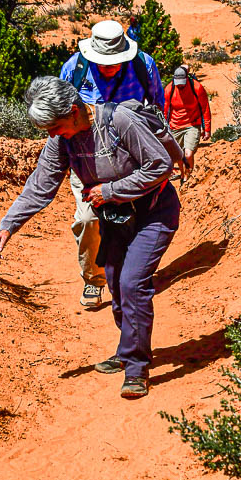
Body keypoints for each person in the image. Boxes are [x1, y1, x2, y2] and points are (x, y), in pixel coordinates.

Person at [0, 76, 180, 399]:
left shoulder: (120, 120)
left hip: (154, 212)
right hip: (116, 219)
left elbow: (161, 165)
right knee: (117, 283)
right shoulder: (62, 141)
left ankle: (136, 368)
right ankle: (128, 347)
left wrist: (111, 190)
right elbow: (40, 185)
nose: (51, 135)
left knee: (133, 283)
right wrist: (8, 226)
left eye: (55, 126)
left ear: (75, 111)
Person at [60, 19, 164, 308]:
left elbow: (157, 109)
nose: (109, 66)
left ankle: (131, 276)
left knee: (136, 218)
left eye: (115, 61)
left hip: (132, 161)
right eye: (104, 62)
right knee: (88, 220)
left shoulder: (144, 65)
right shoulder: (74, 70)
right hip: (88, 161)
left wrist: (164, 153)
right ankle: (94, 279)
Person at [163, 65, 212, 176]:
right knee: (178, 155)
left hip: (192, 124)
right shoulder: (169, 90)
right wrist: (164, 129)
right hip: (175, 126)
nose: (180, 86)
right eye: (177, 83)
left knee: (188, 154)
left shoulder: (197, 88)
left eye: (182, 83)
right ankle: (183, 176)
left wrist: (207, 129)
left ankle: (189, 176)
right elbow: (165, 112)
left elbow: (205, 109)